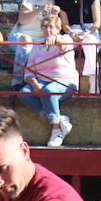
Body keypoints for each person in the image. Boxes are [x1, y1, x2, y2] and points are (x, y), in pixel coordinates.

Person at [18, 9, 78, 147]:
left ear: (58, 29)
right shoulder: (37, 44)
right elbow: (29, 70)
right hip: (41, 81)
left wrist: (56, 40)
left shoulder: (66, 39)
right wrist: (34, 83)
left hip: (64, 82)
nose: (47, 30)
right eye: (44, 27)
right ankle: (58, 119)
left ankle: (56, 130)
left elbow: (64, 46)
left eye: (51, 27)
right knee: (23, 93)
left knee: (49, 90)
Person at [8, 0, 59, 86]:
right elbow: (22, 19)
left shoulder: (56, 2)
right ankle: (17, 80)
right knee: (26, 41)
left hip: (39, 40)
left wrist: (56, 15)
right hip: (20, 36)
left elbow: (55, 27)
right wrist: (40, 10)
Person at [58, 0, 101, 93]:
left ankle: (93, 83)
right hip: (71, 31)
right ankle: (69, 81)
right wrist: (71, 33)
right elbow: (64, 24)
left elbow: (97, 22)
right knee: (64, 42)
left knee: (89, 42)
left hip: (89, 30)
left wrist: (88, 33)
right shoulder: (63, 0)